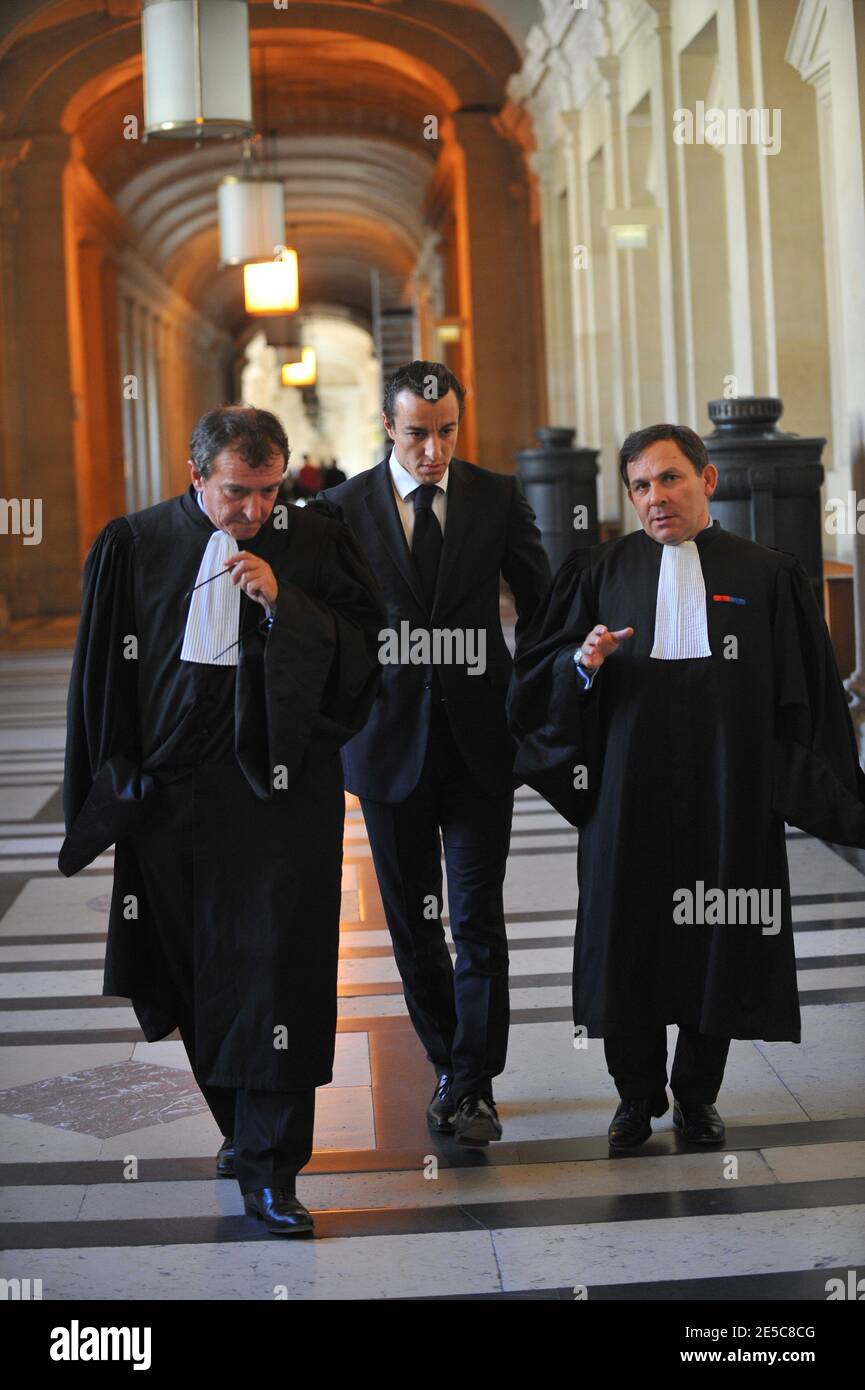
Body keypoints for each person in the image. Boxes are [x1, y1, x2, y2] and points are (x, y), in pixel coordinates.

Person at [60, 406, 382, 1233]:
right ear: (197, 475)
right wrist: (111, 787)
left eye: (269, 492)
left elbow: (363, 647)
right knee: (191, 971)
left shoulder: (312, 541)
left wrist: (286, 607)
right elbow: (100, 680)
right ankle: (240, 1129)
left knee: (277, 969)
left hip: (276, 790)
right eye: (238, 492)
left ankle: (274, 1169)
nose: (255, 512)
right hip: (168, 793)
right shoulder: (131, 545)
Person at [507, 423, 865, 1150]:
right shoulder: (599, 572)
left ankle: (697, 1097)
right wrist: (582, 667)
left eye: (668, 479)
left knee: (718, 943)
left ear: (706, 480)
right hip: (622, 798)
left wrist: (807, 790)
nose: (654, 498)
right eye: (639, 485)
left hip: (726, 797)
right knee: (625, 940)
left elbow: (806, 700)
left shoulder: (766, 575)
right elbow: (535, 685)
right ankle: (634, 1098)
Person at [319, 361, 551, 1145]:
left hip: (482, 743)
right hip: (386, 749)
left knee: (476, 919)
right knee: (415, 927)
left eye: (446, 430)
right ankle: (452, 1064)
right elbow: (324, 631)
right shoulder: (340, 508)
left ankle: (471, 1083)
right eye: (417, 432)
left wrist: (537, 698)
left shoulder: (495, 496)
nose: (433, 449)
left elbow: (543, 608)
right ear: (387, 426)